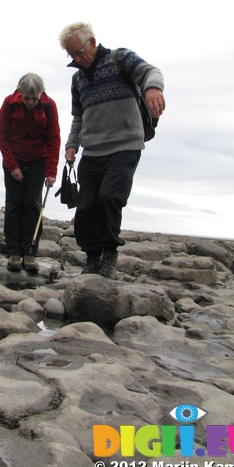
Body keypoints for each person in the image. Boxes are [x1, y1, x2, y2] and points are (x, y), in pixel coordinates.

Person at [58, 22, 165, 278]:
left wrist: (153, 88)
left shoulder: (121, 58)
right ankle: (92, 257)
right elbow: (78, 117)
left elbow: (151, 71)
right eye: (72, 55)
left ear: (92, 41)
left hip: (124, 146)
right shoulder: (78, 79)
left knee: (109, 198)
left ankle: (109, 255)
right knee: (85, 207)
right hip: (92, 151)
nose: (78, 58)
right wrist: (72, 144)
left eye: (80, 51)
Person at [0, 72, 60, 272]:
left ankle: (30, 252)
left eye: (34, 98)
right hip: (14, 158)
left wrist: (51, 171)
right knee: (14, 203)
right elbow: (2, 135)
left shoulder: (49, 106)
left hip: (37, 160)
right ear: (19, 93)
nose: (31, 102)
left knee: (32, 203)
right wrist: (12, 165)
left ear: (41, 94)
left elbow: (53, 138)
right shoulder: (9, 103)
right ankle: (14, 251)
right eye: (27, 98)